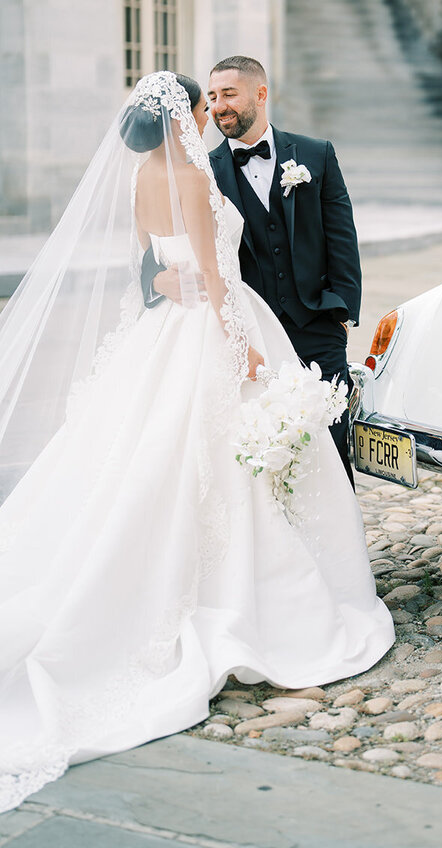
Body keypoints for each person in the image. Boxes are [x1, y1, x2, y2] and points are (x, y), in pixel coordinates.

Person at [0, 71, 394, 813]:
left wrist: (172, 288)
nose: (209, 113)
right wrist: (241, 345)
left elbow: (152, 261)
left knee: (156, 459)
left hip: (162, 337)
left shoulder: (140, 177)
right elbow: (211, 275)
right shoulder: (186, 173)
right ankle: (240, 590)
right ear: (182, 115)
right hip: (215, 327)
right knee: (220, 459)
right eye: (199, 102)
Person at [142, 56, 360, 485]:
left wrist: (341, 314)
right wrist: (157, 279)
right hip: (251, 332)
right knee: (262, 450)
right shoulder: (198, 171)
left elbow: (342, 238)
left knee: (333, 445)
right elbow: (157, 248)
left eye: (229, 94)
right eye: (213, 97)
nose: (219, 106)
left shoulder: (316, 154)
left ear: (260, 94)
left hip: (316, 322)